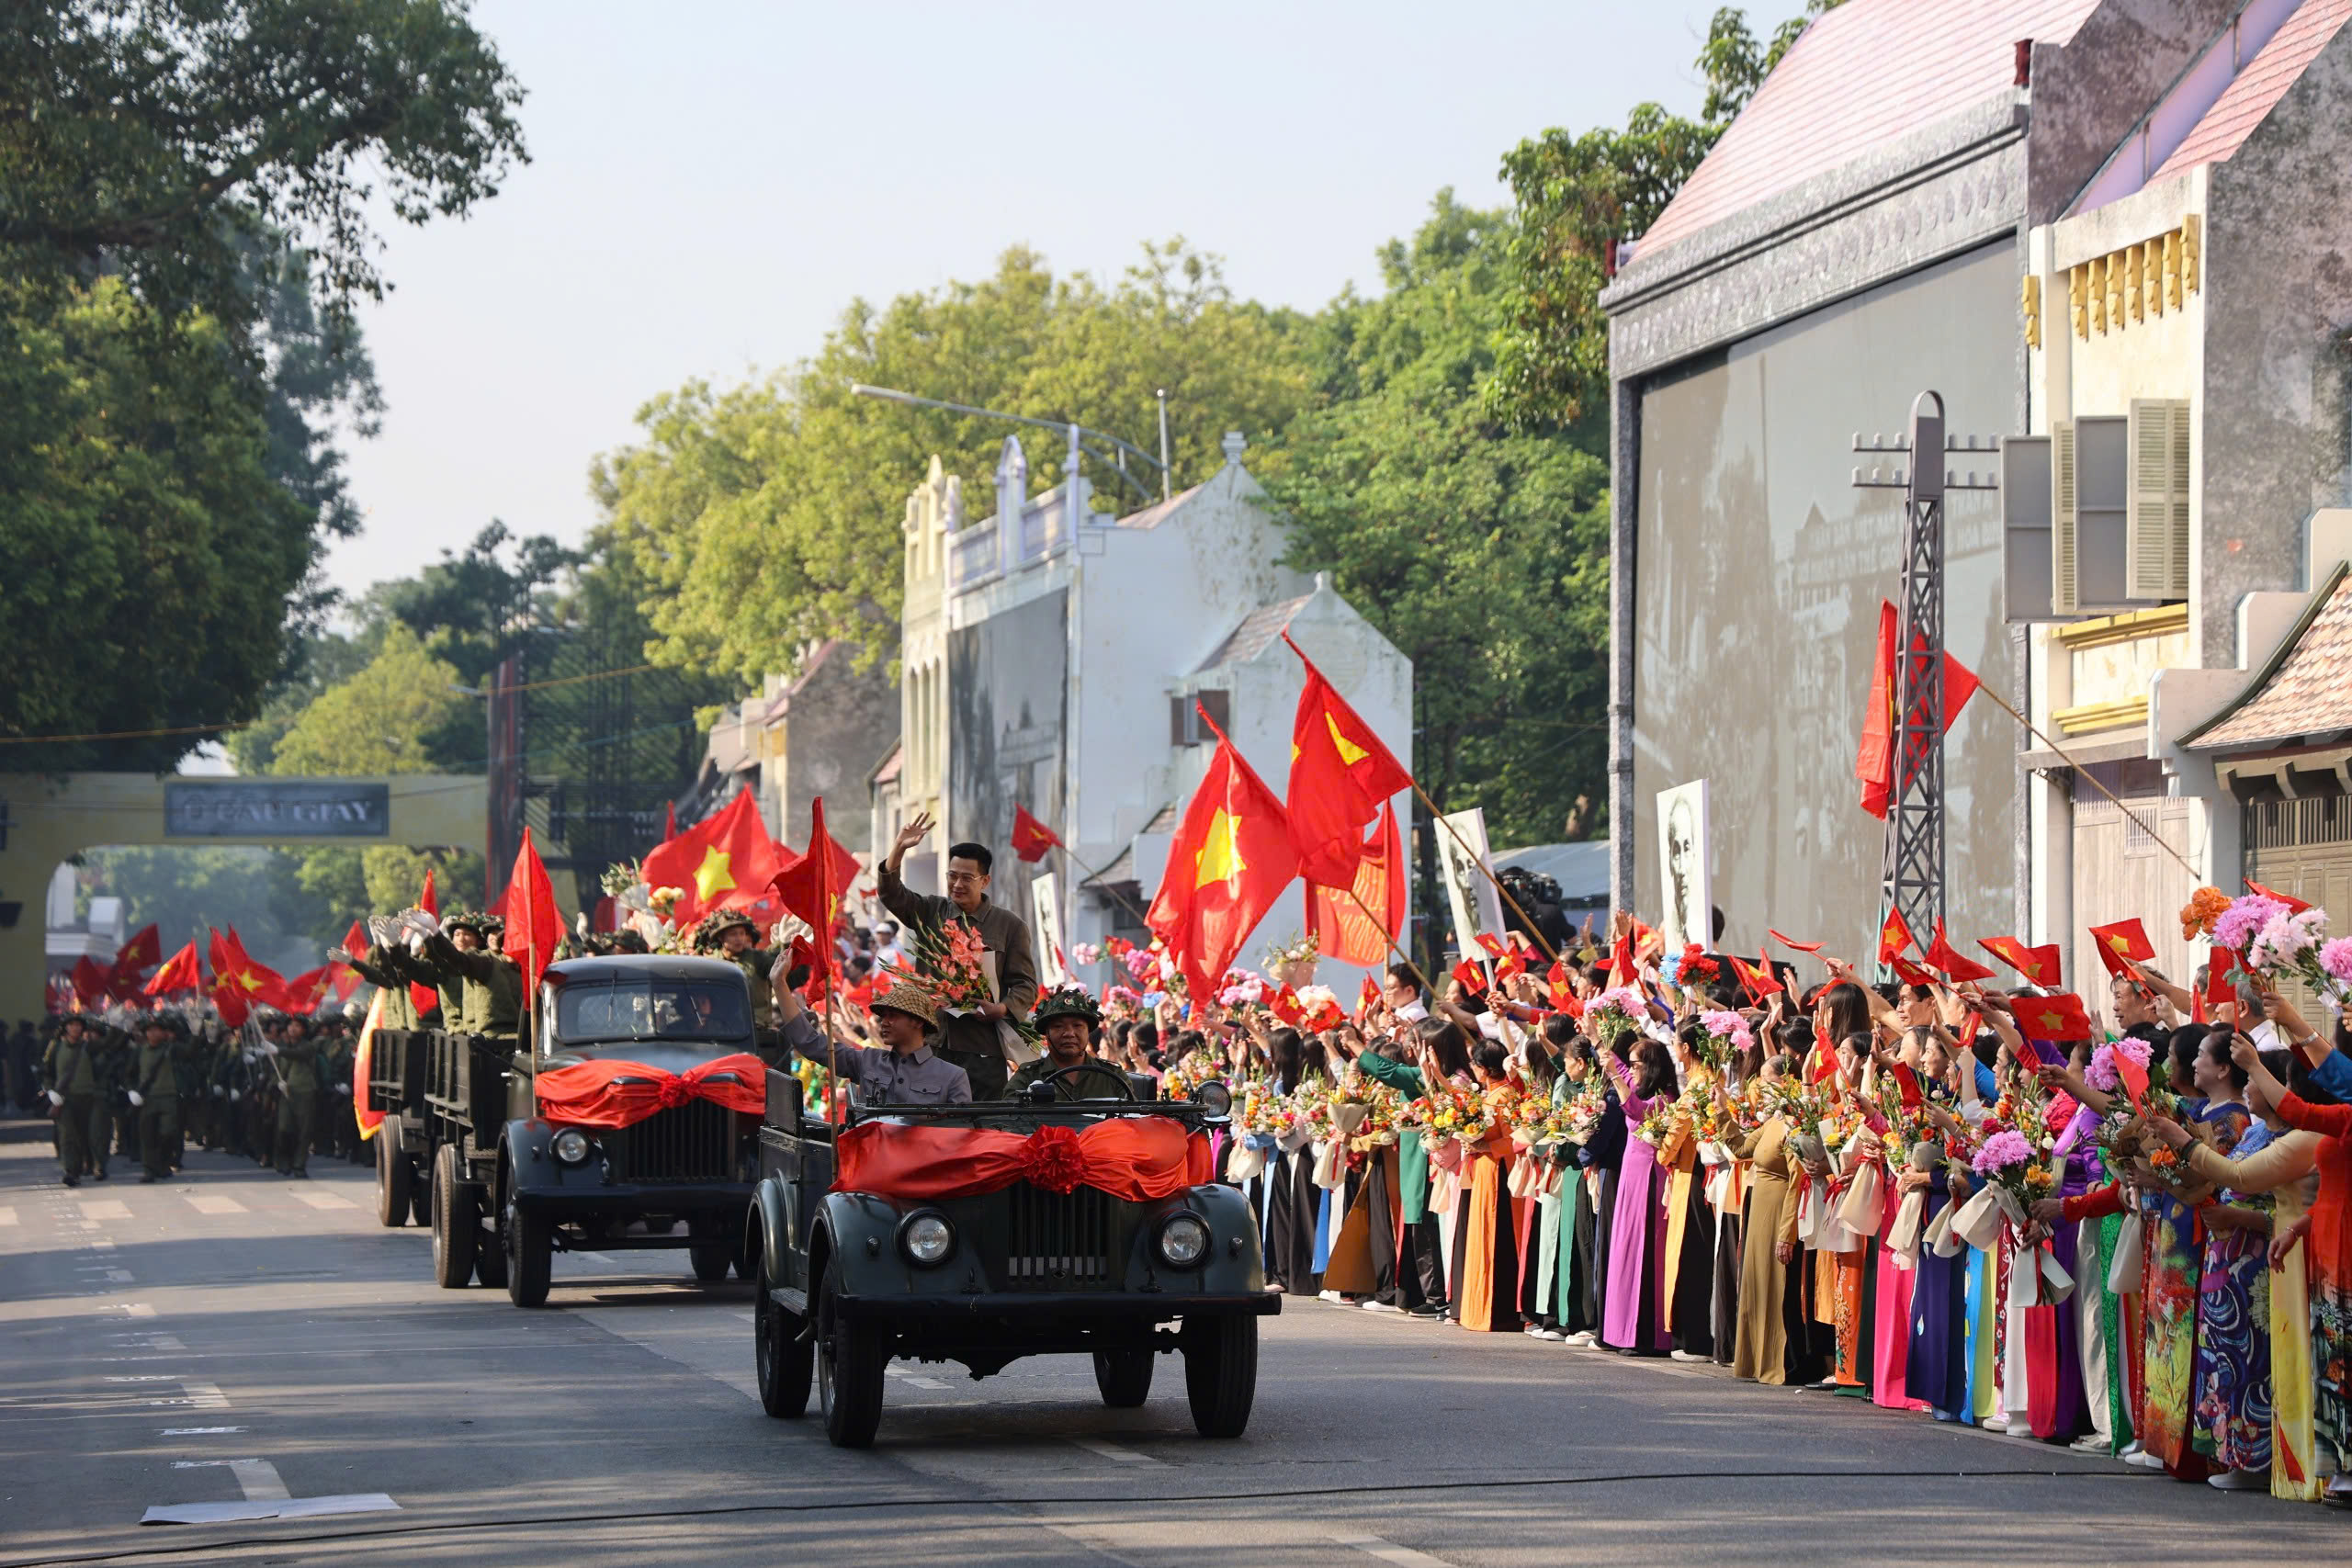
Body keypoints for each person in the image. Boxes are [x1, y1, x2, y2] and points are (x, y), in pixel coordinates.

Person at [876, 813, 1037, 1100]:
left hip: (983, 1048)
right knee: (929, 1123)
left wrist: (1001, 1009)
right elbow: (891, 893)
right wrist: (899, 846)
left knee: (981, 1126)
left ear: (984, 880)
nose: (957, 884)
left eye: (966, 877)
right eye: (952, 876)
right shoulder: (930, 912)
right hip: (931, 1042)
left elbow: (1026, 984)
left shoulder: (1010, 926)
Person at [780, 980, 970, 1105]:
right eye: (883, 1016)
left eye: (893, 1016)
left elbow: (959, 1140)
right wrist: (779, 984)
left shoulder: (953, 1077)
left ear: (918, 1021)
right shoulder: (867, 1060)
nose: (884, 1022)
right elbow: (811, 1044)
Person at [1006, 987, 1132, 1100]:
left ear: (1088, 1032)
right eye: (1058, 1026)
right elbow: (1008, 1120)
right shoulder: (1027, 1076)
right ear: (1046, 1034)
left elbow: (1132, 1121)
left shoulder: (1113, 1076)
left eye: (1077, 1026)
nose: (1069, 1033)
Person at [41, 1015, 112, 1186]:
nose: (75, 1028)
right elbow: (46, 1072)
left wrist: (117, 1024)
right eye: (72, 1025)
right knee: (67, 1136)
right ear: (66, 1028)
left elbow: (111, 1047)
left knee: (94, 1135)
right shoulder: (56, 1047)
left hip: (90, 1097)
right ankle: (71, 1171)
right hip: (65, 1099)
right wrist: (50, 1090)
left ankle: (98, 1165)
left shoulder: (89, 1047)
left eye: (79, 1025)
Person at [129, 1015, 181, 1183]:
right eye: (150, 1030)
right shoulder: (139, 1051)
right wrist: (132, 1091)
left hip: (168, 1098)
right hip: (147, 1099)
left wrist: (196, 1034)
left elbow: (190, 1052)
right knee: (147, 1135)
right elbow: (129, 1073)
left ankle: (163, 1163)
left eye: (157, 1030)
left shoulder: (171, 1049)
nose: (154, 1033)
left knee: (167, 1132)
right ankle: (149, 1169)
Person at [274, 1016, 322, 1177]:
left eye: (297, 1026)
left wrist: (278, 1050)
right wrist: (277, 1083)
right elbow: (277, 1070)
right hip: (286, 1093)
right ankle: (285, 1160)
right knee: (284, 1129)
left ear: (303, 1030)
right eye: (291, 1026)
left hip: (305, 1092)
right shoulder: (282, 1047)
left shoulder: (308, 1046)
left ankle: (299, 1164)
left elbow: (298, 1055)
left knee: (304, 1131)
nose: (293, 1029)